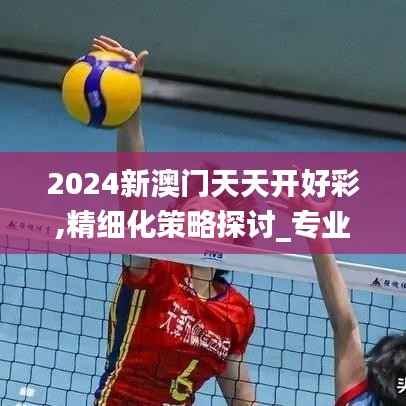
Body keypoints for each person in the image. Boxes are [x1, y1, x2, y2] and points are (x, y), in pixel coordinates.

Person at [92, 36, 257, 406]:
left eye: (212, 214)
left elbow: (240, 394)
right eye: (190, 210)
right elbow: (131, 187)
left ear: (231, 233)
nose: (200, 217)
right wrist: (130, 106)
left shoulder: (237, 312)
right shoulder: (154, 266)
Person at [269, 189, 406, 406]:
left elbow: (345, 325)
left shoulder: (360, 394)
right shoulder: (361, 393)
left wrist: (315, 230)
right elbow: (345, 325)